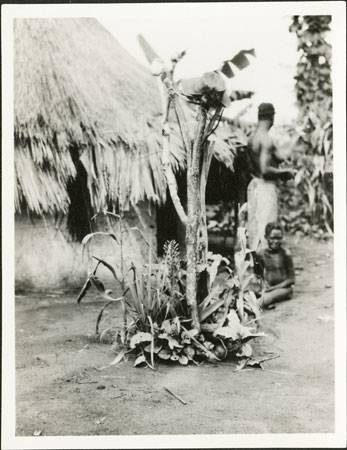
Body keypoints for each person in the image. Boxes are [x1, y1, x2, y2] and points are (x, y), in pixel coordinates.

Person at [247, 103, 295, 251]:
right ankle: (267, 269)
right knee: (268, 228)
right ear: (272, 117)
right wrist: (284, 172)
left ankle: (255, 269)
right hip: (265, 188)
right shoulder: (266, 139)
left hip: (254, 185)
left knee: (255, 229)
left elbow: (276, 158)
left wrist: (283, 163)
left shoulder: (252, 137)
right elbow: (265, 169)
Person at [257, 222, 295, 309]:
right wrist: (263, 285)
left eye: (279, 238)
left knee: (266, 297)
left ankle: (249, 308)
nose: (276, 241)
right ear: (266, 237)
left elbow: (291, 280)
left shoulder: (286, 254)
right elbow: (258, 275)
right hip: (268, 288)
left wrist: (273, 288)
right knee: (249, 292)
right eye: (272, 238)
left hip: (285, 289)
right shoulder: (261, 254)